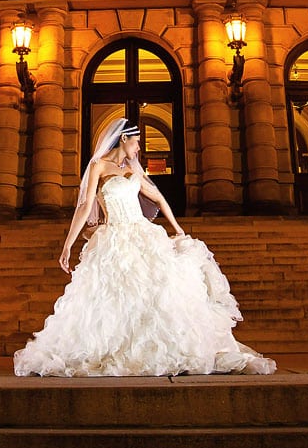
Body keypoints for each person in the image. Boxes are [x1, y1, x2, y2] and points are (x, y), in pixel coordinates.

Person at [14, 117, 276, 377]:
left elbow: (159, 198)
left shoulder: (134, 170)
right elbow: (84, 206)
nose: (139, 148)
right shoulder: (99, 167)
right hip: (114, 238)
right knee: (111, 298)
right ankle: (113, 349)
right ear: (124, 138)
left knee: (157, 294)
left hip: (143, 235)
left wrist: (177, 228)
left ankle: (158, 348)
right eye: (137, 141)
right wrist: (67, 245)